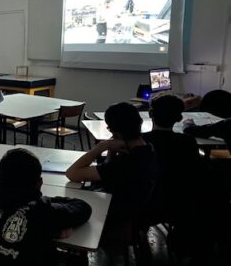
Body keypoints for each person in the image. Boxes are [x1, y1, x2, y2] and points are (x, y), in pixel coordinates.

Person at [66, 102, 159, 238]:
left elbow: (72, 173)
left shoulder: (127, 163)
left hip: (113, 216)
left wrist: (102, 146)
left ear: (113, 131)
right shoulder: (148, 147)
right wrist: (111, 152)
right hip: (130, 210)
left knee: (67, 197)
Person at [143, 94, 201, 227]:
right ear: (179, 118)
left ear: (151, 114)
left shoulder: (141, 141)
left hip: (147, 203)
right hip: (181, 202)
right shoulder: (188, 141)